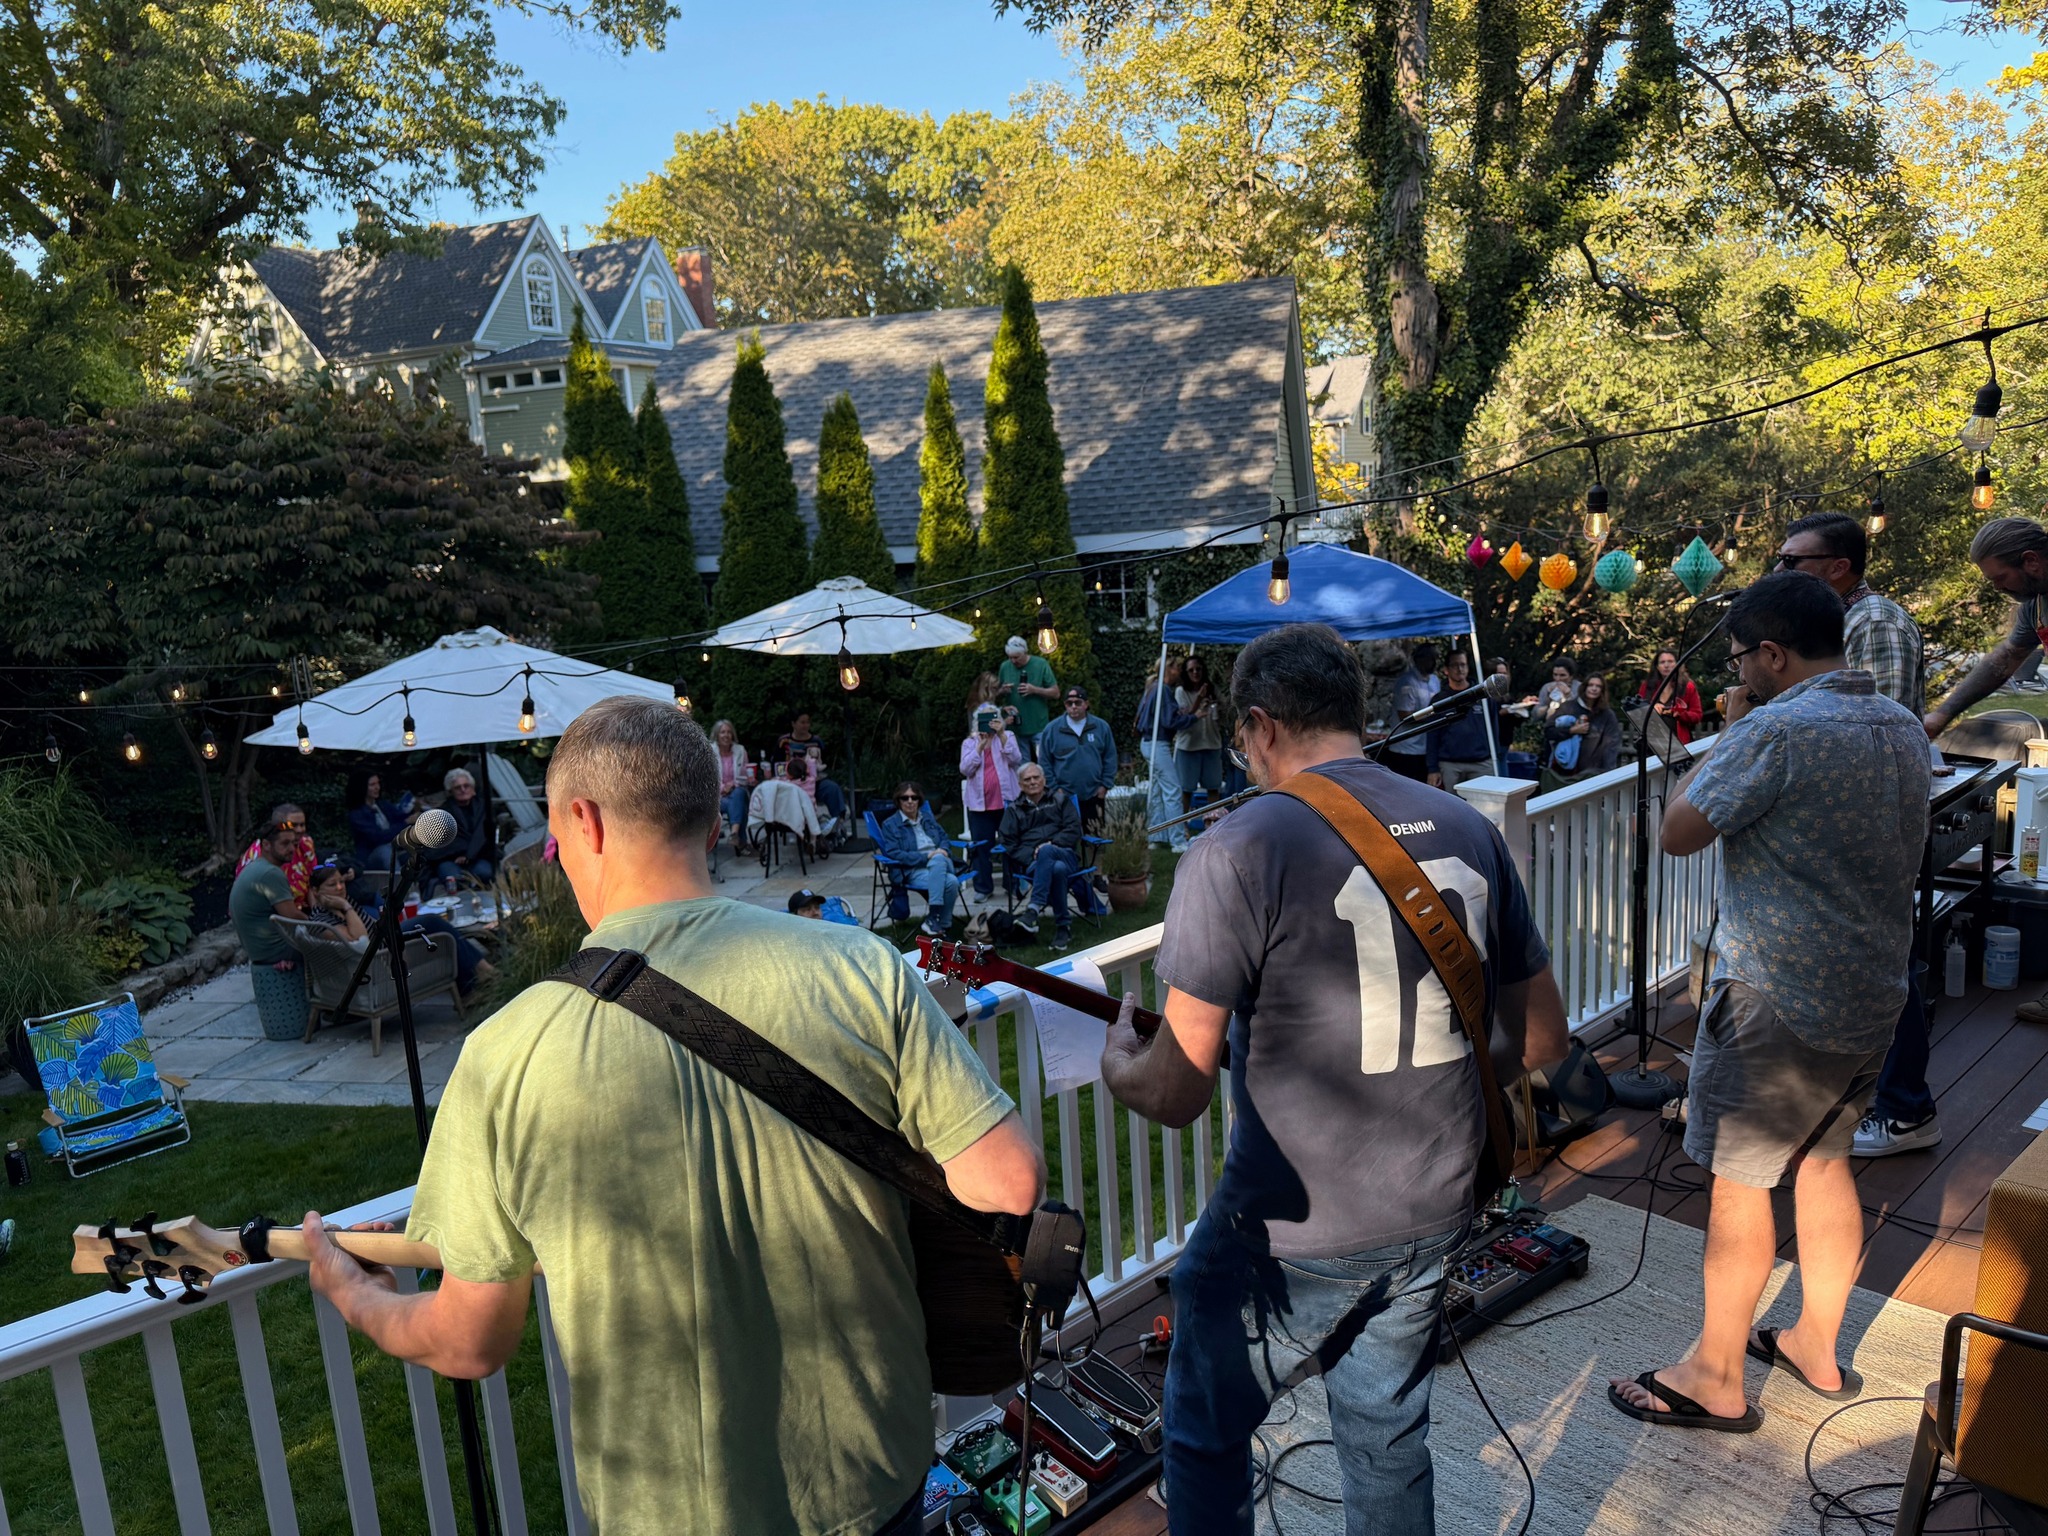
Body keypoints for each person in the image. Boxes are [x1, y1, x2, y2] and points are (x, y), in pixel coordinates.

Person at [304, 696, 1042, 1536]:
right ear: (704, 812)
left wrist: (350, 1292)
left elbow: (470, 1341)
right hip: (873, 1474)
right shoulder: (858, 966)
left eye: (554, 840)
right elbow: (1008, 1181)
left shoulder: (504, 1055)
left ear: (584, 822)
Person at [1095, 622, 1567, 1535]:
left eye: (1242, 741)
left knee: (1202, 1434)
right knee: (1388, 1440)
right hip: (1435, 1197)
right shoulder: (1467, 823)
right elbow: (1540, 1036)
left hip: (1289, 1230)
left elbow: (1176, 1089)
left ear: (1262, 726)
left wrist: (1121, 1067)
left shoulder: (1239, 848)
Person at [1610, 572, 1929, 1434]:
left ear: (1772, 654)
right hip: (1873, 993)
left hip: (1778, 999)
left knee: (1740, 1184)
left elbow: (1678, 832)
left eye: (1747, 656)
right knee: (1826, 1165)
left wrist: (1732, 729)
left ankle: (1714, 1375)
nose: (1742, 668)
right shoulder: (1899, 724)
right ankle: (1814, 1346)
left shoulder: (1777, 728)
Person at [1774, 513, 1938, 1159]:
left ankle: (1905, 1111)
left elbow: (1876, 729)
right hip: (1841, 825)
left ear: (1838, 566)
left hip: (1871, 829)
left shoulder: (1876, 624)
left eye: (1793, 561)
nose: (1780, 569)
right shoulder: (1837, 624)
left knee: (1884, 961)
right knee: (1858, 960)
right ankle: (1859, 1099)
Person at [1914, 515, 2048, 1033]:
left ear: (2030, 562)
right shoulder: (2036, 603)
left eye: (2000, 578)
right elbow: (2004, 661)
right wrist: (1942, 715)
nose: (1999, 588)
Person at [299, 862, 492, 996]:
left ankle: (473, 984)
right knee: (433, 923)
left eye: (342, 882)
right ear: (315, 891)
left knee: (438, 931)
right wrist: (346, 907)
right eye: (332, 885)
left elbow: (371, 925)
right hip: (380, 959)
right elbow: (360, 941)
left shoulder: (342, 903)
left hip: (386, 942)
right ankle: (482, 973)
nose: (340, 888)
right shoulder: (321, 921)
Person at [998, 762, 1084, 951]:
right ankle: (1063, 927)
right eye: (1027, 779)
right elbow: (1008, 842)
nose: (1032, 782)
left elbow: (1074, 829)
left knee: (1050, 855)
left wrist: (1051, 845)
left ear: (1044, 780)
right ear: (1020, 785)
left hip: (1065, 854)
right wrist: (1032, 855)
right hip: (1033, 862)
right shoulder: (1014, 810)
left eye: (1036, 777)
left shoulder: (1060, 800)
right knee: (1056, 869)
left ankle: (1033, 910)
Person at [876, 781, 961, 938]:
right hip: (913, 869)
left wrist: (943, 850)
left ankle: (933, 917)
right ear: (898, 800)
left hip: (940, 862)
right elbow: (894, 853)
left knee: (939, 860)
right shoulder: (890, 825)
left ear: (919, 800)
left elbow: (944, 838)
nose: (910, 801)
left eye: (914, 797)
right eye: (905, 798)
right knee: (952, 882)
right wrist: (926, 857)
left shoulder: (927, 818)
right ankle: (943, 926)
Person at [960, 702, 1023, 901]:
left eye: (992, 718)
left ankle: (1012, 885)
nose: (989, 724)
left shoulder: (1008, 736)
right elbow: (966, 769)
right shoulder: (969, 742)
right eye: (984, 720)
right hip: (979, 805)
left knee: (1010, 845)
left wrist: (1002, 734)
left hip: (1006, 802)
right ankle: (983, 889)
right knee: (981, 847)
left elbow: (1015, 759)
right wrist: (980, 745)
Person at [1038, 685, 1117, 835]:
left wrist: (1105, 785)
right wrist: (1055, 788)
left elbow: (1110, 757)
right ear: (1065, 705)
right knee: (1065, 838)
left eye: (1078, 703)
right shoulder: (1052, 730)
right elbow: (1044, 762)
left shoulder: (1101, 727)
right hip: (1063, 795)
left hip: (1094, 794)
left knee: (1095, 840)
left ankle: (1095, 859)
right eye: (1069, 703)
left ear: (1086, 704)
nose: (1073, 707)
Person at [230, 820, 307, 974]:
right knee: (336, 946)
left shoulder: (255, 865)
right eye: (285, 843)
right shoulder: (271, 874)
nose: (292, 849)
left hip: (257, 950)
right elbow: (292, 917)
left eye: (293, 843)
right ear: (266, 845)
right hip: (274, 952)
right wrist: (321, 925)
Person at [1135, 659, 1195, 854]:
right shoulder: (1164, 689)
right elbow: (1169, 721)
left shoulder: (1152, 686)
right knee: (1172, 791)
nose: (1181, 670)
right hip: (1157, 744)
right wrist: (1195, 717)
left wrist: (1182, 713)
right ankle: (1177, 841)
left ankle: (1156, 836)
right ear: (1168, 669)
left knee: (1157, 791)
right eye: (1178, 667)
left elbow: (1162, 716)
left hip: (1147, 743)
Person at [1424, 652, 1496, 789]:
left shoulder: (1482, 696)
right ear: (1446, 670)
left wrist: (1494, 755)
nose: (1460, 669)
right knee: (1452, 807)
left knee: (1484, 807)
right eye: (1455, 665)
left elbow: (1494, 728)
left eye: (1463, 664)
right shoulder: (1440, 701)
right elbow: (1432, 735)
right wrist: (1432, 768)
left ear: (1468, 667)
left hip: (1481, 763)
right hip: (1450, 765)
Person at [1541, 672, 1621, 790]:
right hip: (1564, 772)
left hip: (1591, 773)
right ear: (1584, 687)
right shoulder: (1568, 707)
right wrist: (1571, 730)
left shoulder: (1607, 715)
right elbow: (1549, 731)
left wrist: (1609, 774)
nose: (1594, 689)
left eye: (1598, 686)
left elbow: (1611, 745)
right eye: (1591, 685)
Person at [235, 803, 318, 906]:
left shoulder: (306, 844)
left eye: (302, 825)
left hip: (300, 908)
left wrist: (316, 914)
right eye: (294, 825)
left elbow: (311, 882)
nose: (300, 830)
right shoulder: (261, 852)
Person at [1176, 655, 1226, 819]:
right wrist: (1199, 699)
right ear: (1186, 673)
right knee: (1186, 788)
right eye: (1191, 670)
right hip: (1189, 746)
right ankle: (1182, 826)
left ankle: (1212, 823)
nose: (1195, 673)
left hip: (1211, 744)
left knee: (1213, 787)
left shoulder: (1211, 688)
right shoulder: (1181, 691)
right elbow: (1184, 716)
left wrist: (1217, 705)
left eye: (1198, 669)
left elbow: (1226, 708)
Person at [1378, 642, 1437, 781]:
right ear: (1419, 659)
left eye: (1435, 657)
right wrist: (1434, 715)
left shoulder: (1435, 680)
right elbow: (1405, 715)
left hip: (1425, 746)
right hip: (1405, 748)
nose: (1433, 662)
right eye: (1430, 658)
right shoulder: (1407, 682)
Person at [776, 712, 846, 822]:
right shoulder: (783, 741)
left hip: (813, 781)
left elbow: (823, 761)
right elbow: (777, 763)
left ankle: (837, 822)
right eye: (802, 722)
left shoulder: (816, 741)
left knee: (832, 788)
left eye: (808, 722)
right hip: (791, 783)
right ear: (793, 724)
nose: (805, 725)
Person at [999, 636, 1060, 762]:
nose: (1013, 661)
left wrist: (1035, 690)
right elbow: (993, 693)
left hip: (1039, 726)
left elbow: (1056, 693)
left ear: (1025, 652)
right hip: (1016, 727)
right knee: (1022, 768)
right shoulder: (1005, 667)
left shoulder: (1040, 664)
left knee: (1045, 763)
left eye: (1016, 657)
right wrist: (1002, 691)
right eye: (1010, 657)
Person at [438, 768, 496, 889]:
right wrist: (458, 855)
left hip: (478, 855)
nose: (463, 790)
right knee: (454, 878)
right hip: (451, 858)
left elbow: (483, 834)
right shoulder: (443, 812)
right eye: (458, 788)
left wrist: (469, 856)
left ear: (473, 788)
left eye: (466, 786)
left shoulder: (483, 807)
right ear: (450, 791)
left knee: (485, 872)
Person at [346, 770, 414, 872]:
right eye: (372, 785)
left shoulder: (382, 805)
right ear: (362, 787)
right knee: (385, 852)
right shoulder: (357, 814)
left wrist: (415, 811)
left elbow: (399, 817)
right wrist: (405, 823)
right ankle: (398, 884)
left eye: (378, 783)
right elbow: (377, 837)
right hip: (372, 856)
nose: (377, 787)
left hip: (396, 849)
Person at [1636, 650, 1704, 745]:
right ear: (1657, 666)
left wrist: (1680, 713)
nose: (1666, 665)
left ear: (1677, 664)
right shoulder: (1647, 686)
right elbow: (1637, 713)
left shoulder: (1688, 686)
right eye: (1662, 662)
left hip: (1679, 743)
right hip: (1652, 743)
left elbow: (1697, 715)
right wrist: (1651, 709)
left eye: (1670, 661)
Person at [712, 719, 756, 855]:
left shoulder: (740, 750)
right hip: (717, 797)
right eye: (723, 732)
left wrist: (733, 785)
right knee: (739, 804)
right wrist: (722, 788)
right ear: (717, 735)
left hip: (736, 791)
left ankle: (734, 833)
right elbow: (707, 777)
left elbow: (745, 775)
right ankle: (739, 841)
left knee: (738, 794)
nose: (726, 735)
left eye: (729, 732)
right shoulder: (709, 751)